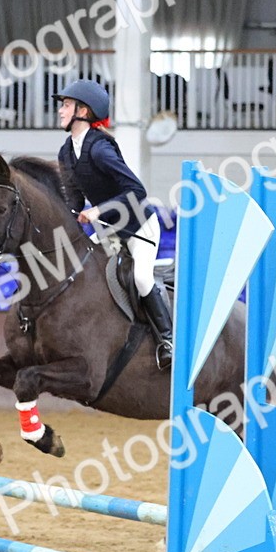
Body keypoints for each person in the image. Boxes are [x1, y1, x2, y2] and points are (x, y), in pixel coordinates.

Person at [52, 79, 172, 369]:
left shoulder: (99, 149)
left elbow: (137, 191)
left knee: (142, 278)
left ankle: (168, 341)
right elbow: (74, 200)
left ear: (84, 111)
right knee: (84, 270)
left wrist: (99, 211)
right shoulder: (66, 152)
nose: (60, 111)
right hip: (109, 232)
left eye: (66, 105)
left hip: (138, 228)